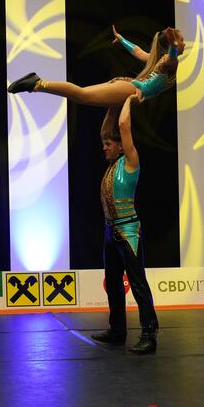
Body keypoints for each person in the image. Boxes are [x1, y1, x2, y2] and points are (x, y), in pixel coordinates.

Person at [90, 95, 159, 354]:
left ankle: (149, 334)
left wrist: (127, 99)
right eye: (104, 145)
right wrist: (112, 103)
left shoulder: (130, 161)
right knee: (113, 283)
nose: (104, 148)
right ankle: (118, 330)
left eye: (108, 144)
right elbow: (106, 130)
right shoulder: (112, 165)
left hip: (128, 230)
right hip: (110, 231)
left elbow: (123, 126)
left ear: (121, 146)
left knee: (138, 283)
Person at [8, 26, 185, 106]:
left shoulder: (156, 60)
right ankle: (38, 84)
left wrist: (122, 40)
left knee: (82, 97)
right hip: (132, 89)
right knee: (83, 95)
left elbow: (137, 51)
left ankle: (37, 84)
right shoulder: (169, 61)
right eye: (182, 40)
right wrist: (174, 46)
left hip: (128, 86)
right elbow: (172, 57)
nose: (185, 44)